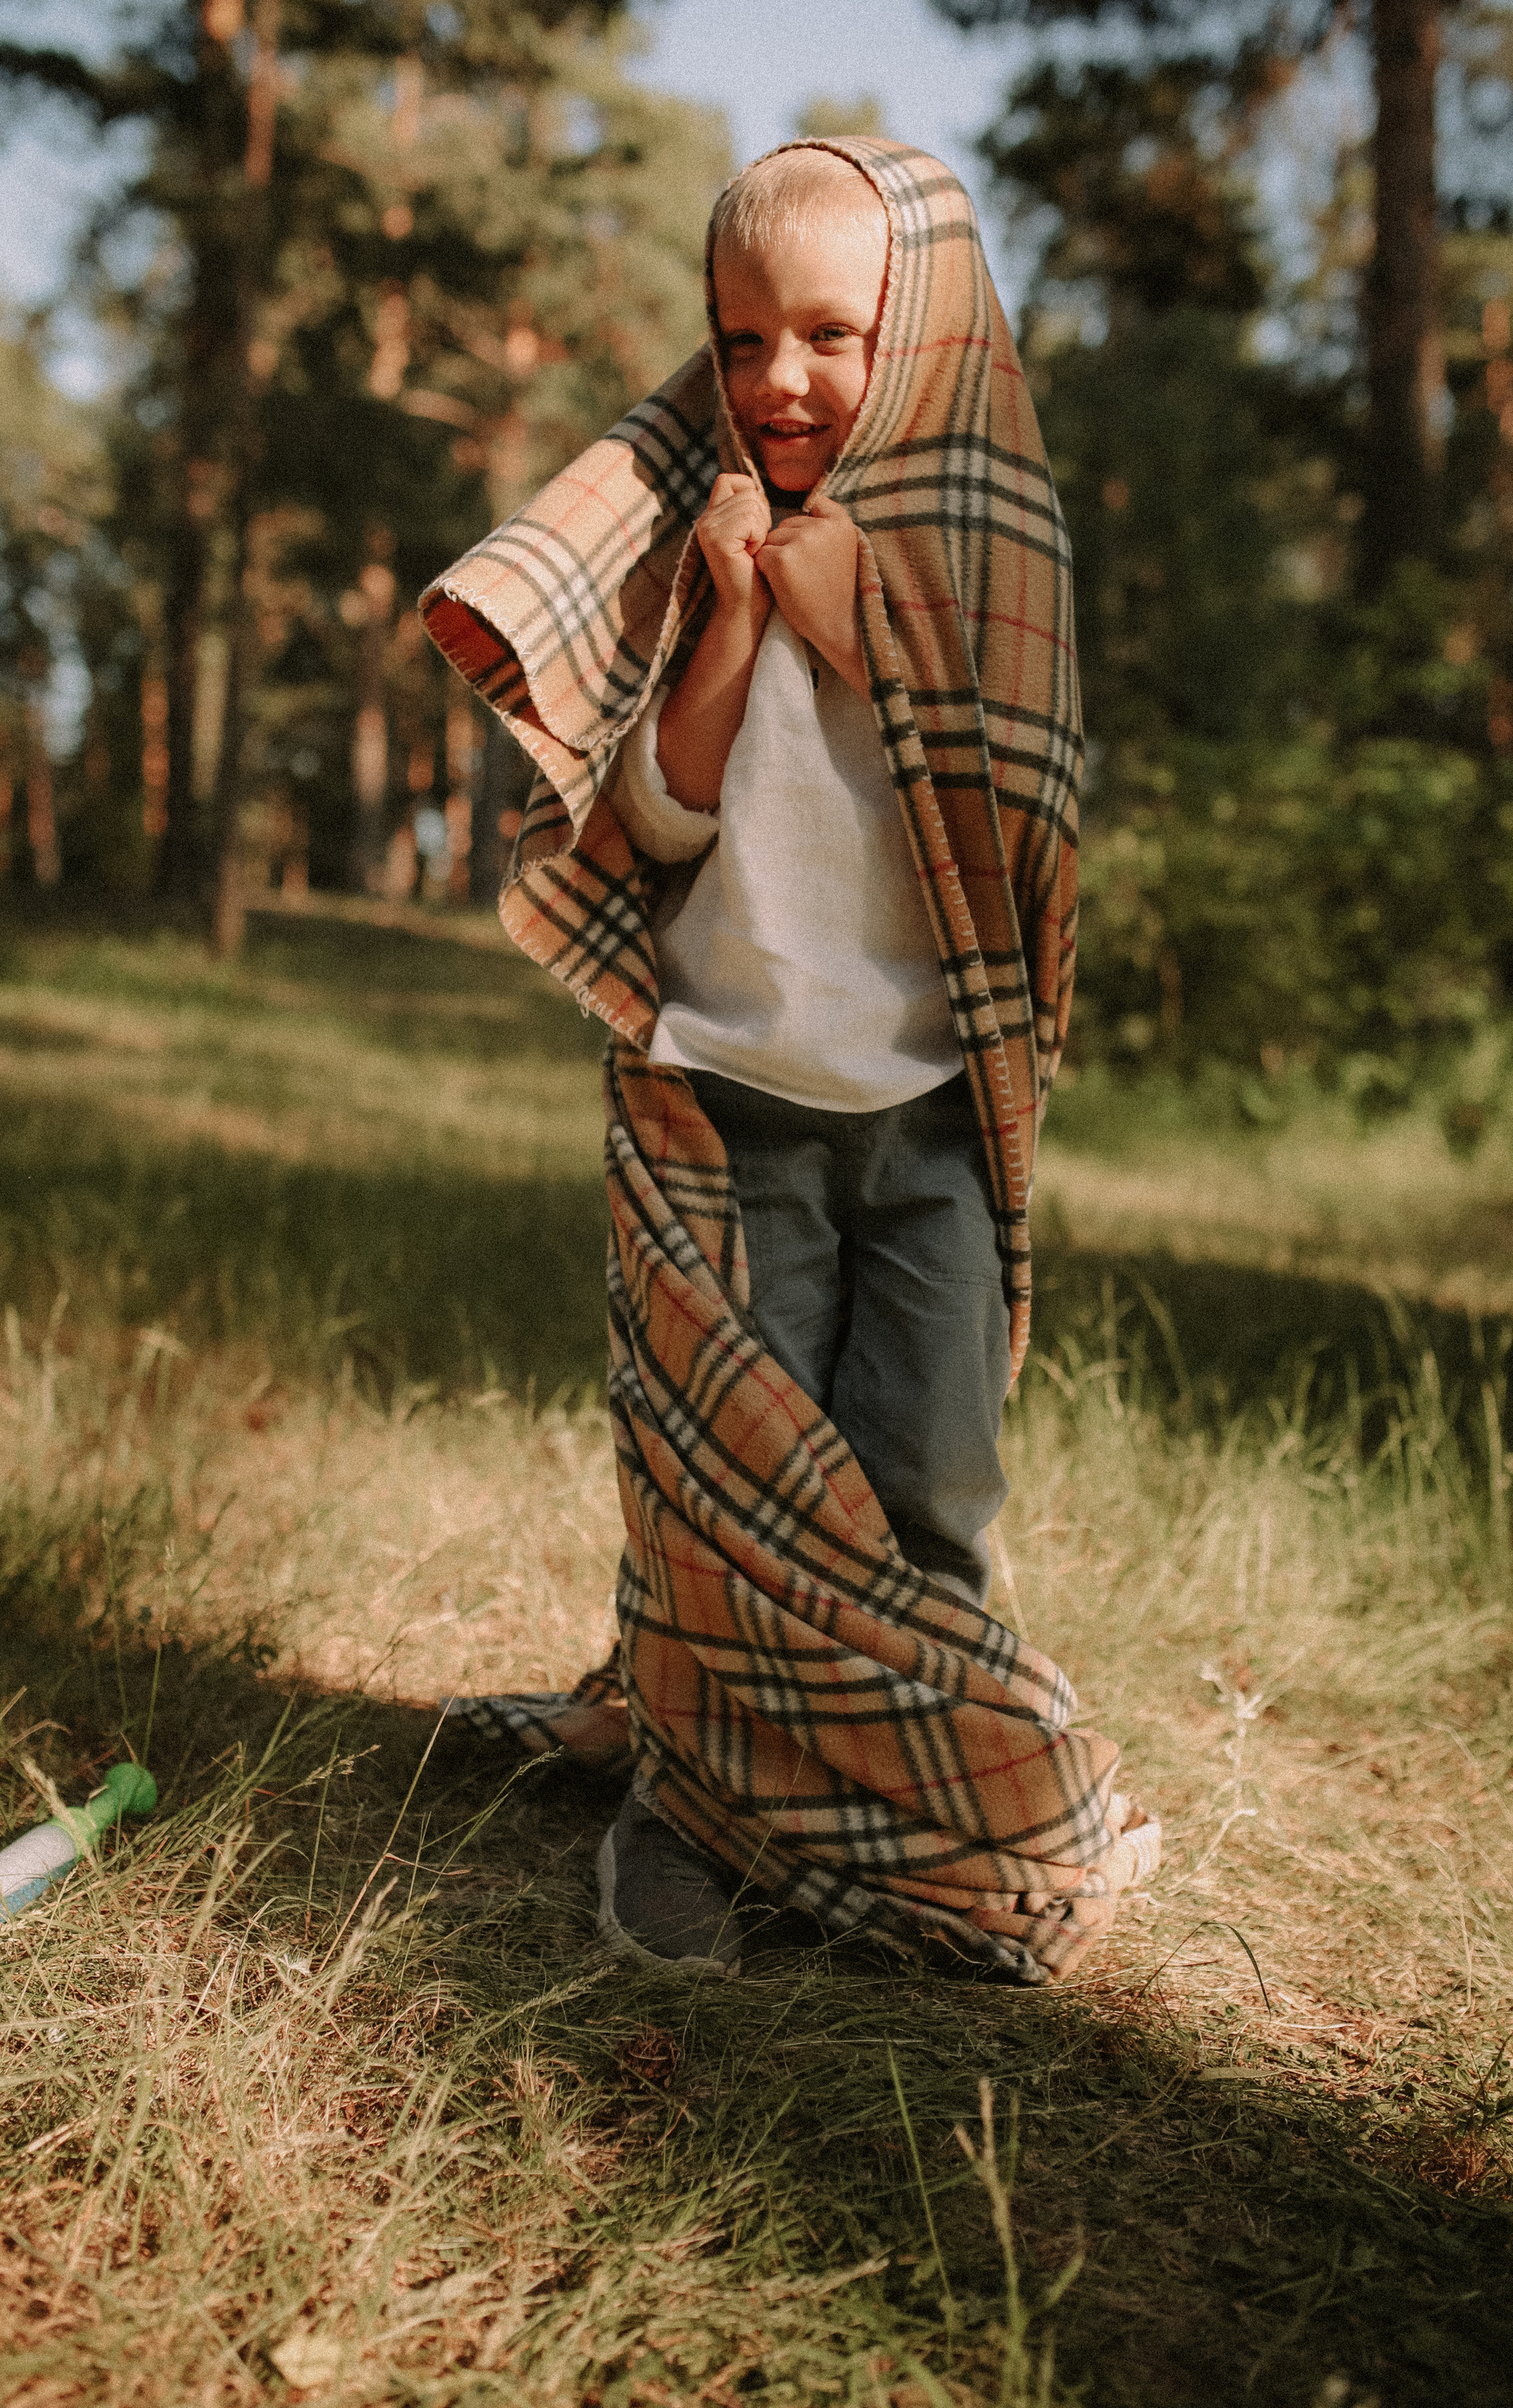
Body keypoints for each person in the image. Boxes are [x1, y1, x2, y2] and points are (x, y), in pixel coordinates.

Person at [423, 137, 1158, 1987]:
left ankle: (920, 1821)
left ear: (914, 338)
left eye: (830, 334)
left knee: (924, 1490)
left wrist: (870, 640)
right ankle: (688, 1804)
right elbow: (653, 827)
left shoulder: (989, 547)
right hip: (727, 1104)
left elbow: (1022, 832)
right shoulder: (719, 533)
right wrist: (746, 619)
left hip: (922, 1124)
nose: (781, 382)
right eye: (743, 339)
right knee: (717, 1506)